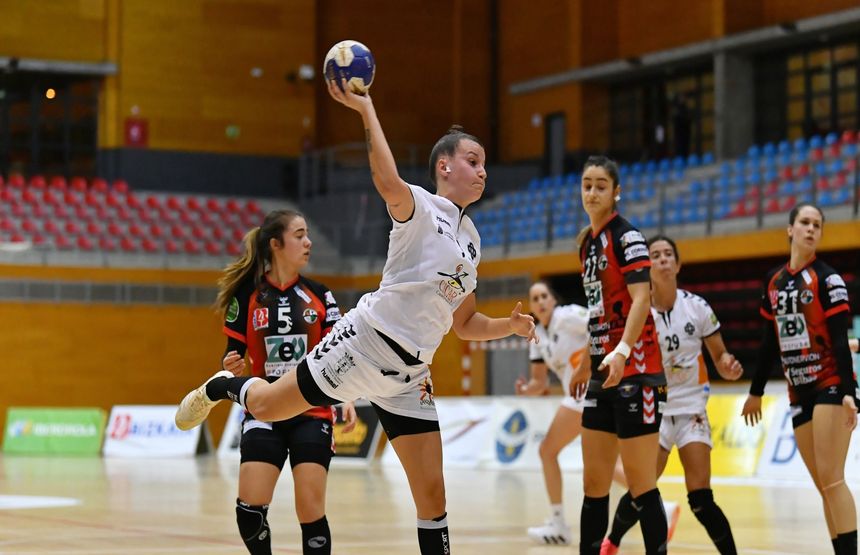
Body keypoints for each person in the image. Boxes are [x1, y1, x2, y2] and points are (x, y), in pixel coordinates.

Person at [175, 78, 537, 555]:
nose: (482, 171)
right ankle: (221, 386)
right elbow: (386, 180)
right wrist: (367, 112)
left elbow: (465, 323)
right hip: (363, 344)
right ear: (444, 167)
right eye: (474, 161)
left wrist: (508, 327)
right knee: (265, 408)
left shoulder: (472, 238)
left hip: (410, 376)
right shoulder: (420, 206)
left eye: (485, 164)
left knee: (433, 496)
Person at [215, 208, 357, 555]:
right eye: (299, 235)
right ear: (276, 244)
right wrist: (231, 365)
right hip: (264, 411)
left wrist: (346, 397)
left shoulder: (320, 295)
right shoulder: (245, 296)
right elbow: (234, 355)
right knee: (249, 510)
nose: (308, 242)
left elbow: (338, 354)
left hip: (311, 412)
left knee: (310, 510)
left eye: (308, 234)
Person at [601, 235, 742, 555]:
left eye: (668, 255)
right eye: (656, 255)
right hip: (655, 406)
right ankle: (612, 542)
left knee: (701, 500)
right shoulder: (638, 312)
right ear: (647, 266)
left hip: (692, 408)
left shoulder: (698, 308)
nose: (663, 259)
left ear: (678, 264)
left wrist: (728, 366)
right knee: (642, 488)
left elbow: (720, 357)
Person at [742, 203, 858, 555]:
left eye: (817, 225)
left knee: (834, 478)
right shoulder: (774, 281)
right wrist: (755, 392)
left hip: (830, 384)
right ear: (790, 230)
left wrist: (850, 393)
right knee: (823, 484)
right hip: (797, 391)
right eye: (804, 223)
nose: (811, 229)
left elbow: (840, 341)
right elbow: (768, 341)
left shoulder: (827, 279)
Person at [569, 155, 669, 555]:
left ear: (616, 193)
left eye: (600, 186)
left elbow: (642, 299)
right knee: (594, 483)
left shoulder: (626, 237)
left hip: (637, 372)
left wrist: (623, 352)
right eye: (586, 185)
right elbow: (599, 312)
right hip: (601, 374)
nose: (592, 192)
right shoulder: (586, 244)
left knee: (642, 484)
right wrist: (584, 364)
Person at [516, 281, 589, 545]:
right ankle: (658, 505)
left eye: (544, 296)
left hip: (587, 391)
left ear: (553, 299)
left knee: (547, 451)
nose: (540, 301)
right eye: (535, 298)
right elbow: (540, 383)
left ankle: (558, 523)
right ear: (532, 306)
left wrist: (588, 365)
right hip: (578, 397)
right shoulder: (535, 336)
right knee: (605, 466)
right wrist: (527, 389)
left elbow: (601, 327)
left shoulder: (568, 315)